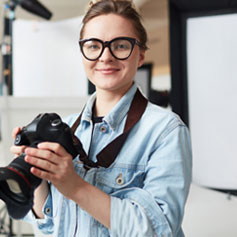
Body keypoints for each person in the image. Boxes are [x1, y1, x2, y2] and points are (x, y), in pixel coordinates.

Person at [11, 0, 192, 236]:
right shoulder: (65, 128)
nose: (105, 57)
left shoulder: (165, 131)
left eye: (120, 46)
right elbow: (49, 225)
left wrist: (74, 186)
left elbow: (158, 232)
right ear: (83, 53)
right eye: (94, 46)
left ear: (140, 55)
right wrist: (38, 175)